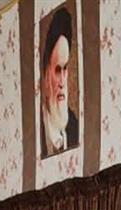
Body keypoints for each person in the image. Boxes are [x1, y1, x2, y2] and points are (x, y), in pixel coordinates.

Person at [39, 5, 79, 156]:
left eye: (65, 68)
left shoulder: (73, 124)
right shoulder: (38, 125)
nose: (62, 81)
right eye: (57, 70)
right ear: (46, 74)